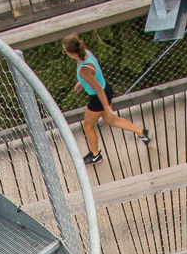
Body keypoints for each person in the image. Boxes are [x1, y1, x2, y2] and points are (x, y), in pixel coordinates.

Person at [61, 34, 151, 166]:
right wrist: (81, 82)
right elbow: (94, 74)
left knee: (87, 126)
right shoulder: (86, 54)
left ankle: (95, 155)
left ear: (70, 52)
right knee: (110, 120)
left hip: (99, 97)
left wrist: (107, 108)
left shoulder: (84, 71)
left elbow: (97, 89)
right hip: (106, 89)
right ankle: (142, 133)